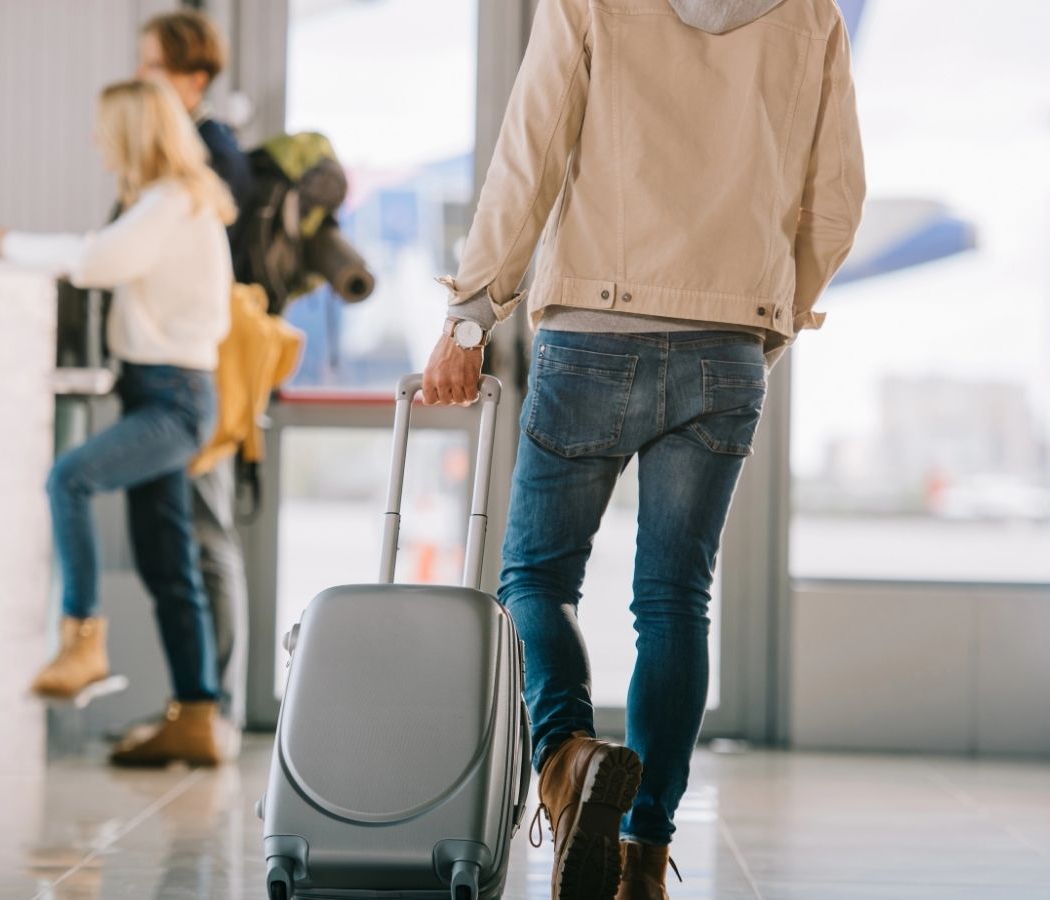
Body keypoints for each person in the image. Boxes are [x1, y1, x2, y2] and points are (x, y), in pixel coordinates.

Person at [423, 1, 865, 898]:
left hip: (594, 326)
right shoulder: (812, 11)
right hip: (727, 342)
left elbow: (531, 148)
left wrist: (472, 314)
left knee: (535, 580)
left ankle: (567, 759)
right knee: (674, 602)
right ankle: (642, 851)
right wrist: (766, 320)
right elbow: (839, 198)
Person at [0, 77, 239, 766]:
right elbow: (101, 248)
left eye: (103, 129)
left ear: (132, 133)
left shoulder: (172, 201)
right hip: (166, 391)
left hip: (172, 397)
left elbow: (92, 260)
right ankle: (196, 716)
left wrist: (7, 244)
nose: (96, 142)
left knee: (70, 479)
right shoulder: (169, 201)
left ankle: (81, 641)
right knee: (168, 564)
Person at [107, 11, 262, 755]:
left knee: (203, 537)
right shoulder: (183, 154)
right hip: (177, 369)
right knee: (183, 539)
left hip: (196, 372)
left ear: (194, 78)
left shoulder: (207, 157)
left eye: (155, 67)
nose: (143, 80)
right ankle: (194, 704)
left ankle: (214, 708)